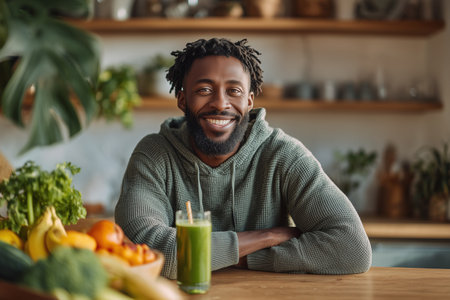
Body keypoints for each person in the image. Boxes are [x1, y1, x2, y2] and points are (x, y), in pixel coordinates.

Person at [115, 38, 372, 279]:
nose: (220, 103)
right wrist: (266, 236)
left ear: (249, 102)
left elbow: (352, 249)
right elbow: (142, 247)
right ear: (183, 100)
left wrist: (238, 257)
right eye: (204, 89)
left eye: (234, 91)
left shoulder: (283, 155)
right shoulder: (154, 154)